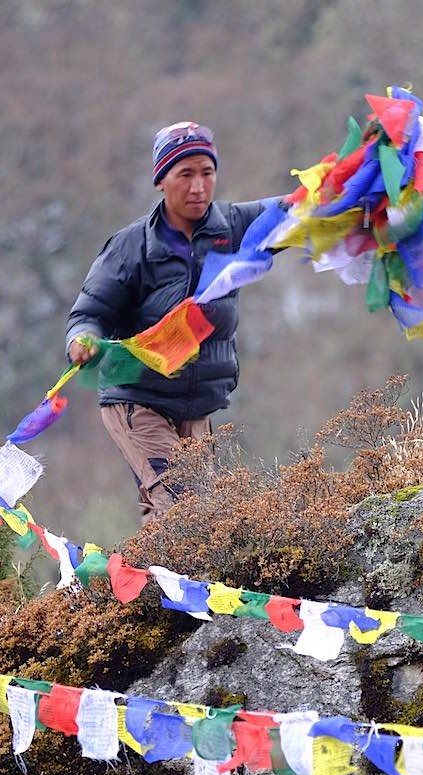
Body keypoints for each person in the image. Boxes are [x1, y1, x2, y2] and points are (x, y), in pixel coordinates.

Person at [65, 121, 271, 523]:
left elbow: (298, 211)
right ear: (161, 180)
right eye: (185, 174)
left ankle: (136, 587)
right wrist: (83, 340)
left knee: (184, 516)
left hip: (196, 408)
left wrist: (357, 186)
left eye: (207, 173)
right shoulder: (130, 247)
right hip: (138, 399)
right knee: (185, 510)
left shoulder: (233, 228)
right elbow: (89, 313)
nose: (198, 187)